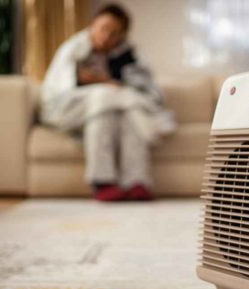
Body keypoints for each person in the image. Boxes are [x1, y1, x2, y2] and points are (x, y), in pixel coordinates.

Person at [41, 4, 175, 202]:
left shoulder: (129, 56)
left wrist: (108, 83)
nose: (106, 36)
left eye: (114, 33)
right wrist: (103, 83)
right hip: (68, 109)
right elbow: (59, 88)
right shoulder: (73, 50)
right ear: (92, 25)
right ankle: (102, 181)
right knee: (105, 98)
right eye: (103, 28)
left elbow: (146, 88)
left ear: (122, 36)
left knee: (124, 110)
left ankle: (137, 182)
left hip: (110, 109)